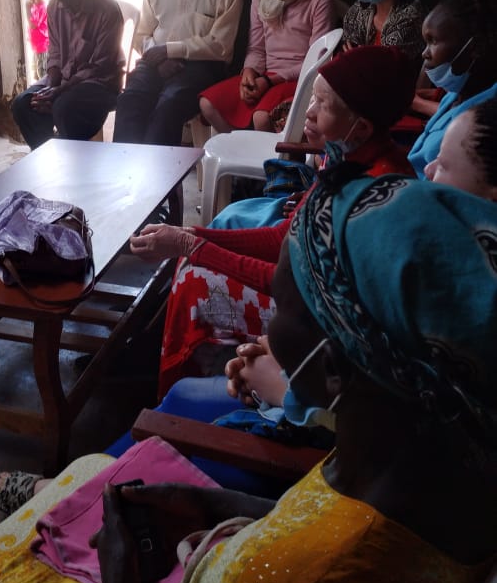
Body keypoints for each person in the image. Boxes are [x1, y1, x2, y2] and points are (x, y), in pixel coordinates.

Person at [0, 176, 497, 583]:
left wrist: (121, 563)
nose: (267, 324)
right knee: (98, 474)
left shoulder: (283, 571)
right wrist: (205, 503)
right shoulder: (415, 458)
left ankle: (20, 547)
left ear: (333, 366)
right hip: (233, 534)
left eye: (283, 309)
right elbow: (307, 509)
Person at [135, 45, 417, 394]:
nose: (308, 114)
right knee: (191, 258)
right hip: (305, 296)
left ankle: (171, 392)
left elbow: (292, 282)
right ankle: (155, 356)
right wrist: (189, 234)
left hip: (326, 329)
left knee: (195, 278)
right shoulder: (347, 157)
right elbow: (284, 239)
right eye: (313, 99)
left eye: (323, 105)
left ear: (361, 127)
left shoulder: (368, 193)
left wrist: (193, 245)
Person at [112, 0, 242, 146]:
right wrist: (159, 57)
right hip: (155, 61)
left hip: (200, 67)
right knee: (129, 101)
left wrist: (170, 50)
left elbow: (220, 46)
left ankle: (163, 179)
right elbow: (142, 34)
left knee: (168, 106)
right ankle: (125, 174)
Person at [200, 0, 336, 134]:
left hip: (299, 79)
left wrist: (272, 81)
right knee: (208, 103)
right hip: (266, 76)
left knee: (262, 118)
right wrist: (249, 73)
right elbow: (256, 48)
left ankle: (264, 162)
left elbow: (317, 60)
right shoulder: (260, 0)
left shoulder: (319, 1)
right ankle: (239, 153)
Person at [11, 0, 124, 149]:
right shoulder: (55, 7)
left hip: (100, 84)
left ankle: (68, 159)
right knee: (23, 104)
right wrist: (51, 86)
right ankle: (50, 158)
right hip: (63, 81)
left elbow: (100, 66)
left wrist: (58, 91)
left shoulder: (106, 9)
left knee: (64, 107)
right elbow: (54, 53)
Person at [407, 0, 497, 177]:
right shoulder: (457, 93)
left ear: (475, 47)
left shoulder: (486, 117)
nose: (425, 53)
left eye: (433, 41)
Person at [25, 0, 49, 81]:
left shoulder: (42, 8)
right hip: (36, 47)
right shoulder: (34, 7)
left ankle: (44, 93)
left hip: (42, 47)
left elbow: (33, 25)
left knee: (42, 74)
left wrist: (27, 9)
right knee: (36, 73)